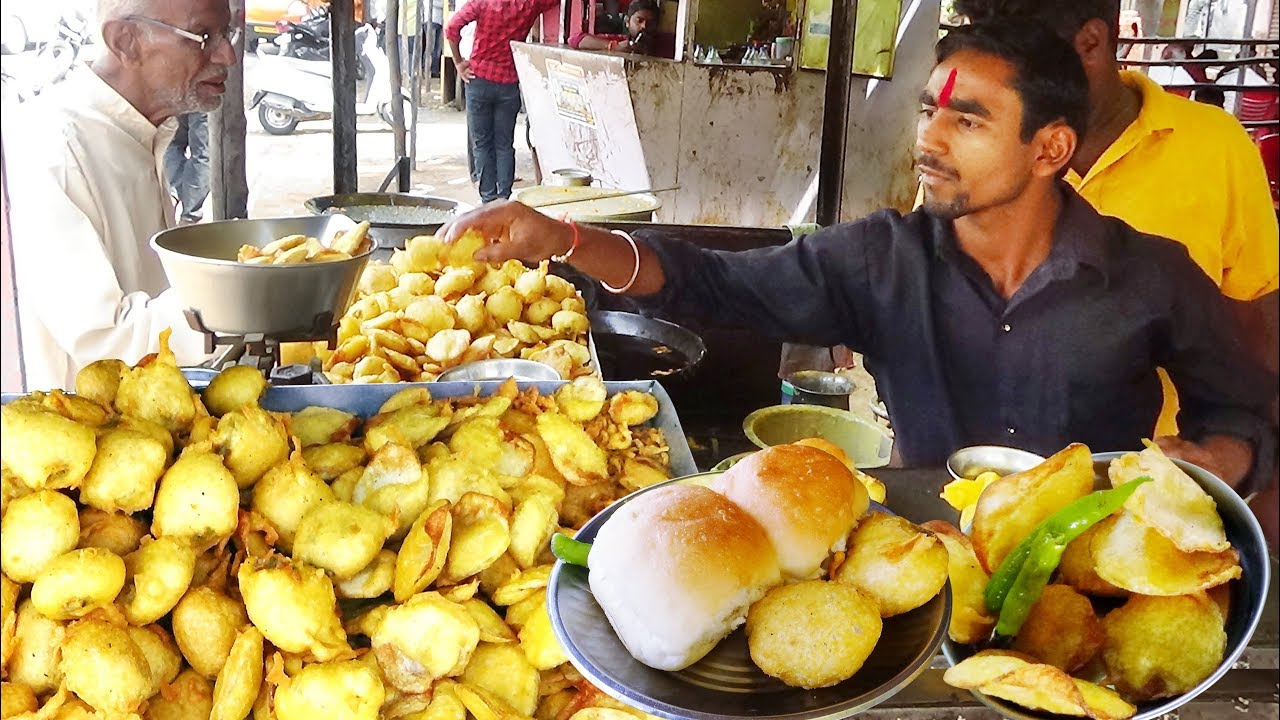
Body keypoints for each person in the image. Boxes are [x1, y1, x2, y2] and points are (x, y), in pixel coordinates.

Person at [442, 21, 1278, 495]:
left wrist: (1224, 458)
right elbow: (711, 281)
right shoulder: (882, 261)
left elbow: (1244, 407)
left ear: (1050, 147)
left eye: (969, 121)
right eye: (927, 113)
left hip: (1089, 567)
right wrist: (567, 240)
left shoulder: (1150, 277)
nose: (928, 141)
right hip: (926, 565)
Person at [954, 0, 1280, 550]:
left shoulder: (1216, 149)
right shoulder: (978, 141)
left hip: (1150, 507)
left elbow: (1261, 331)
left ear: (1091, 43)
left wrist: (1263, 486)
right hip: (988, 496)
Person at [4, 0, 236, 391]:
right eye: (204, 37)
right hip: (82, 435)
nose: (227, 54)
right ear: (125, 41)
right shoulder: (53, 148)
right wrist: (249, 295)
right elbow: (103, 341)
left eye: (227, 35)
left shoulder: (141, 132)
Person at [446, 0, 557, 203]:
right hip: (509, 82)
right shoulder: (530, 4)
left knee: (482, 144)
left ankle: (488, 199)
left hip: (478, 79)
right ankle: (504, 197)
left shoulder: (482, 2)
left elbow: (451, 28)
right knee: (505, 144)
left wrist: (459, 63)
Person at [164, 112, 210, 224]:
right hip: (205, 99)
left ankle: (172, 194)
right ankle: (189, 216)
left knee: (174, 144)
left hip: (177, 97)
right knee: (202, 154)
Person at [568, 0, 660, 54]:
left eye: (651, 23)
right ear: (627, 22)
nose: (644, 26)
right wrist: (614, 46)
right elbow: (575, 40)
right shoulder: (622, 42)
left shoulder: (669, 43)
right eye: (639, 21)